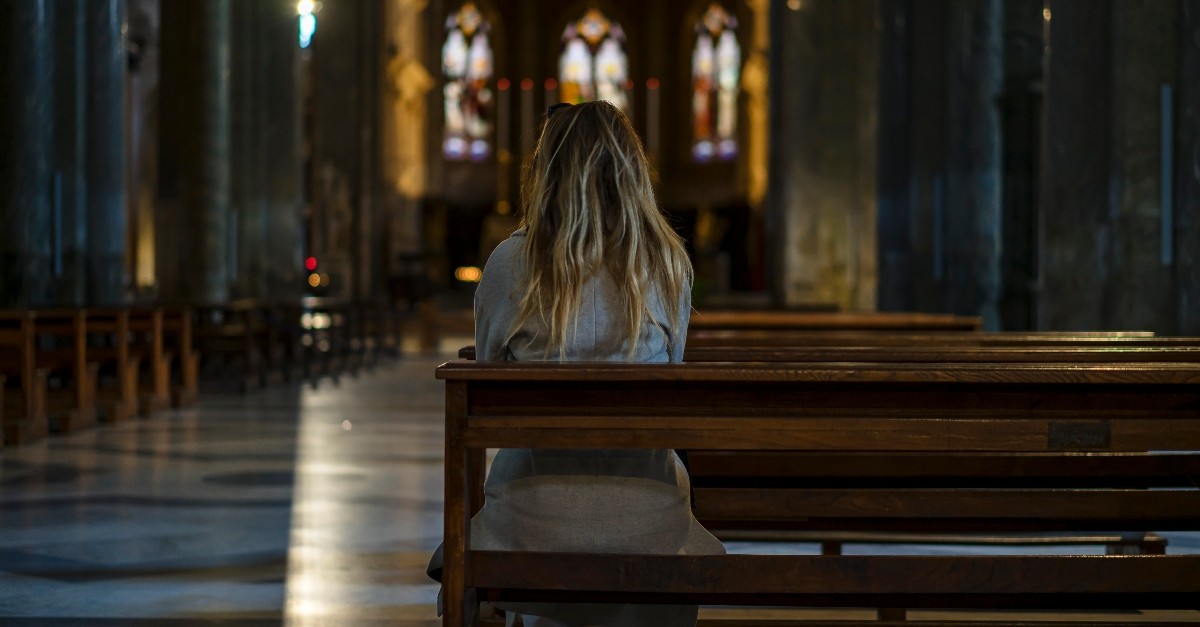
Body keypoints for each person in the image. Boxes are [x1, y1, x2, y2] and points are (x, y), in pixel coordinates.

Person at [429, 100, 724, 627]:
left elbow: (489, 381)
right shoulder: (668, 262)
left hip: (529, 518)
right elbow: (670, 373)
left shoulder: (508, 264)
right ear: (632, 170)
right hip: (650, 522)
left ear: (546, 171)